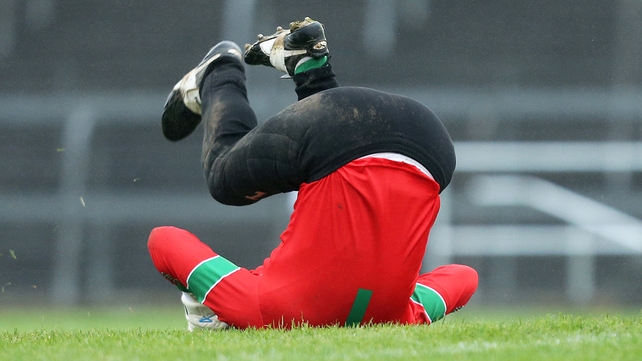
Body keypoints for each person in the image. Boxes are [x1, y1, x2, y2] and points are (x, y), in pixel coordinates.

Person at [148, 17, 478, 331]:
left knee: (324, 165)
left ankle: (307, 65)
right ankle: (220, 73)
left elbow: (464, 277)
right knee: (223, 177)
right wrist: (203, 296)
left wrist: (395, 294)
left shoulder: (402, 315)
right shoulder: (267, 312)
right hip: (344, 135)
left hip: (430, 145)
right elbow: (163, 240)